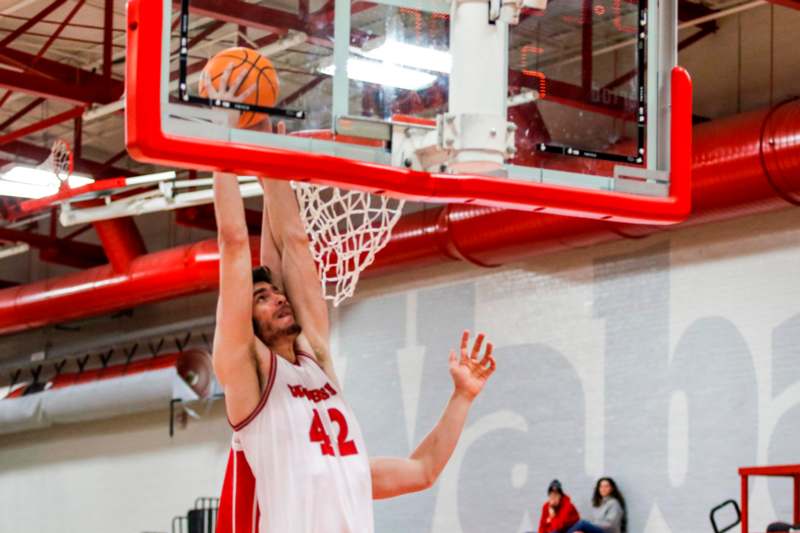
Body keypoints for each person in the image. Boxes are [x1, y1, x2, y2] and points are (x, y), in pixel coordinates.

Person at [207, 63, 498, 533]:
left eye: (276, 291)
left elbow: (423, 470)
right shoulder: (249, 374)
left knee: (295, 246)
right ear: (244, 317)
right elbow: (234, 243)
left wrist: (463, 396)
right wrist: (223, 137)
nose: (279, 298)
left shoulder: (316, 361)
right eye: (262, 297)